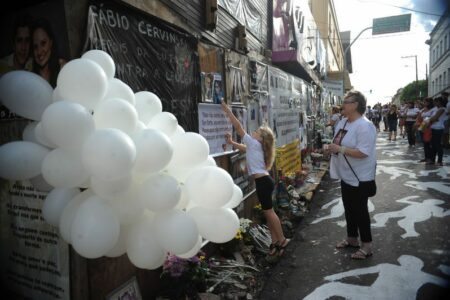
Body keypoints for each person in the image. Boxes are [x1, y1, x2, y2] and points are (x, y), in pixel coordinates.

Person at [221, 100, 290, 257]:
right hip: (264, 181)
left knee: (270, 213)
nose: (255, 131)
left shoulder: (254, 143)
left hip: (263, 183)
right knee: (268, 213)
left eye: (258, 131)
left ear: (261, 138)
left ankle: (282, 239)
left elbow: (238, 127)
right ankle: (275, 243)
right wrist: (232, 142)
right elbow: (245, 148)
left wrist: (228, 111)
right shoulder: (255, 145)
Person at [325, 90, 376, 260]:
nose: (342, 104)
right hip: (346, 174)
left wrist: (340, 149)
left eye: (346, 102)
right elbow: (337, 142)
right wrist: (330, 148)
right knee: (349, 209)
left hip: (361, 176)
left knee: (360, 211)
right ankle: (352, 238)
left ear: (355, 105)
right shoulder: (343, 122)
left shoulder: (365, 126)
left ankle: (367, 246)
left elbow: (364, 152)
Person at [31, 18, 66, 87]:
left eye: (43, 43)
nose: (39, 52)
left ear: (51, 42)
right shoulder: (30, 76)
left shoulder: (63, 68)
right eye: (35, 46)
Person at [428, 96, 447, 166]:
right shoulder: (437, 109)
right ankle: (432, 160)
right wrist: (432, 118)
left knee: (438, 145)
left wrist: (432, 119)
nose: (434, 103)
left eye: (435, 102)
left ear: (439, 102)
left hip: (438, 129)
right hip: (433, 128)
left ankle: (440, 161)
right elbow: (432, 118)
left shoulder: (442, 109)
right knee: (433, 145)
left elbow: (434, 118)